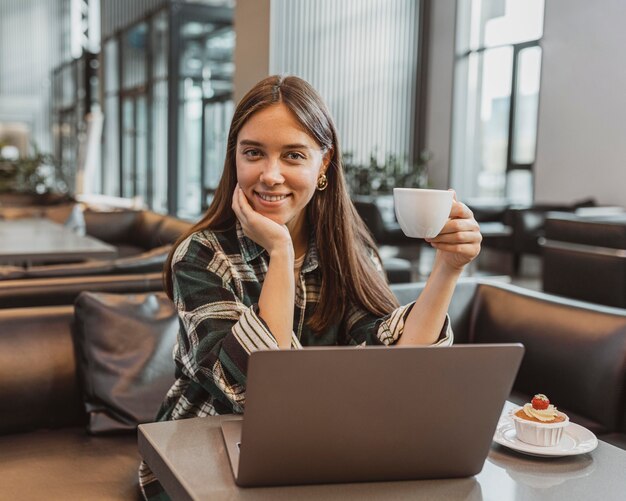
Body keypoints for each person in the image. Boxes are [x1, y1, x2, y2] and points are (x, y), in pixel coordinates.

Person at [139, 75, 481, 499]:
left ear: (323, 164)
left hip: (315, 452)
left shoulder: (350, 253)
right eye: (253, 153)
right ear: (234, 159)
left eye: (293, 155)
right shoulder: (200, 255)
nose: (270, 175)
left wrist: (448, 268)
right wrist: (281, 253)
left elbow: (400, 371)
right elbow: (257, 391)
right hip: (197, 457)